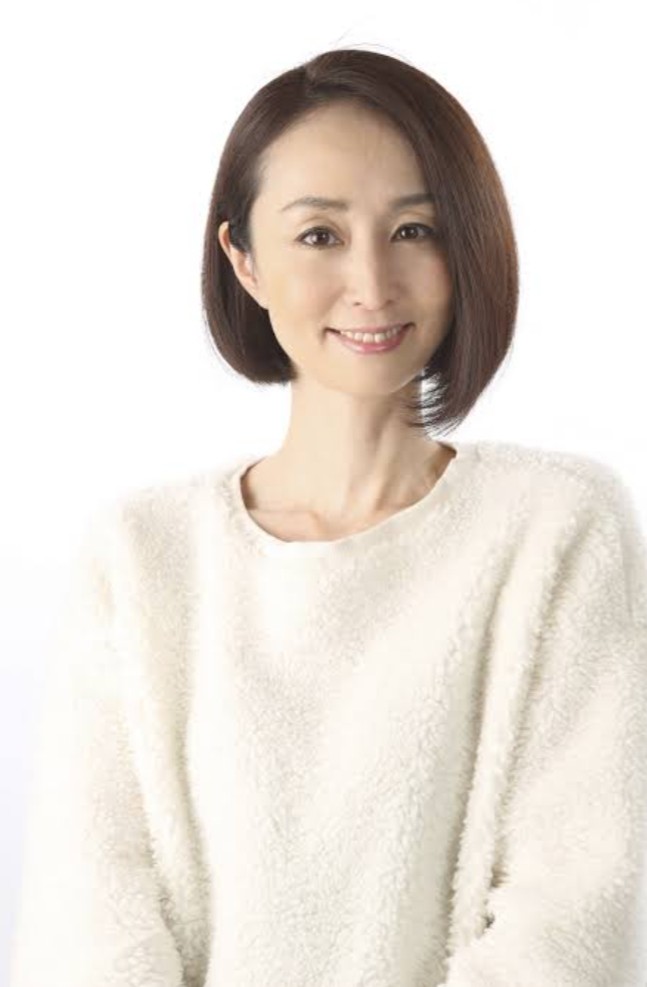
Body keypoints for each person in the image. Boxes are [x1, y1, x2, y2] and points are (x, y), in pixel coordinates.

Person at [9, 47, 647, 987]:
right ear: (243, 259)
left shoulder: (555, 529)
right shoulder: (142, 555)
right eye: (319, 235)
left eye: (414, 230)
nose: (372, 283)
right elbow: (86, 921)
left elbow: (569, 910)